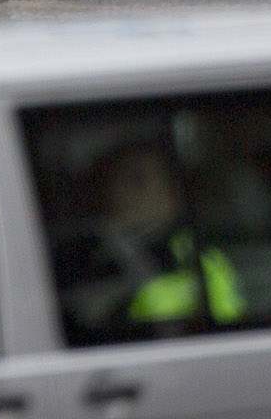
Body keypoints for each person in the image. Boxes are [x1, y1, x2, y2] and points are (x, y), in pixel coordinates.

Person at [66, 141, 243, 334]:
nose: (121, 191)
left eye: (138, 181)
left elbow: (226, 328)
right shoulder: (78, 251)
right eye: (113, 180)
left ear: (171, 197)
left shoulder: (199, 257)